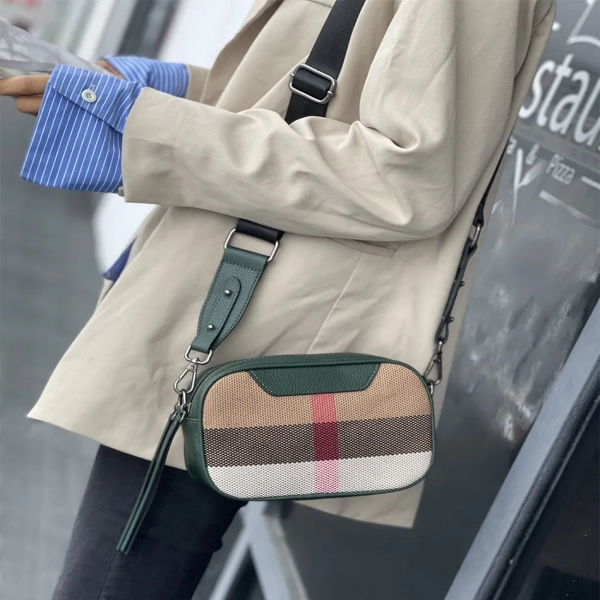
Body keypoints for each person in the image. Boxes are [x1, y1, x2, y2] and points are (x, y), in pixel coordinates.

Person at [0, 0, 555, 598]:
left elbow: (407, 177)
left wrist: (143, 122)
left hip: (251, 331)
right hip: (238, 312)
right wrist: (153, 88)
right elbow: (312, 94)